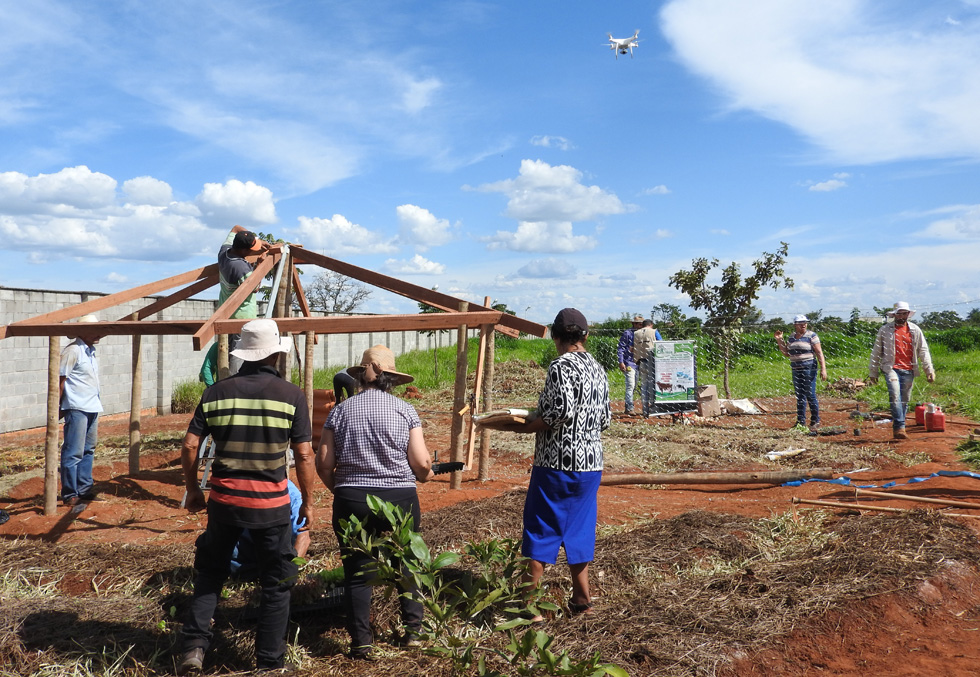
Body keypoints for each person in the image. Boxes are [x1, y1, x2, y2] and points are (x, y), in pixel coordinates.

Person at [177, 319, 316, 675]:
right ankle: (269, 663)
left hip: (223, 503)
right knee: (276, 583)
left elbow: (191, 444)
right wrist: (311, 504)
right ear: (275, 354)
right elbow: (303, 455)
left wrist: (194, 489)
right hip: (271, 507)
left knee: (210, 572)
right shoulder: (292, 395)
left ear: (245, 355)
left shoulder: (216, 392)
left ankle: (194, 648)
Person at [484, 308, 610, 618]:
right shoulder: (598, 368)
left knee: (541, 529)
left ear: (554, 335)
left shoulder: (560, 366)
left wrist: (522, 426)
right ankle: (582, 600)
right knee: (579, 529)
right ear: (585, 335)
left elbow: (557, 413)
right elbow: (604, 419)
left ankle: (530, 608)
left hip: (557, 464)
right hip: (591, 465)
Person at [316, 345, 434, 660]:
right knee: (408, 563)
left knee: (357, 571)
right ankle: (412, 632)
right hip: (399, 499)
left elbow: (324, 464)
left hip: (352, 498)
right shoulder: (406, 410)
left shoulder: (339, 411)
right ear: (390, 379)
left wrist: (340, 490)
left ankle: (361, 643)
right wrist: (427, 474)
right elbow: (421, 464)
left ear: (362, 376)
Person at [869, 301, 935, 440]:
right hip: (891, 368)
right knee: (894, 395)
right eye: (899, 313)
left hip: (909, 369)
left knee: (904, 399)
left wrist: (929, 370)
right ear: (894, 315)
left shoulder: (915, 330)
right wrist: (873, 372)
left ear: (908, 314)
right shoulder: (885, 330)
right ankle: (899, 427)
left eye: (905, 313)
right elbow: (876, 351)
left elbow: (923, 350)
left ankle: (901, 424)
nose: (902, 316)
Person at [59, 314, 104, 507]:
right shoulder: (73, 351)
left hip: (92, 405)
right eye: (95, 330)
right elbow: (61, 380)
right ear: (83, 330)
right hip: (76, 406)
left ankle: (84, 489)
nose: (99, 334)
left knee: (88, 449)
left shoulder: (90, 351)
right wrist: (57, 407)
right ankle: (70, 494)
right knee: (73, 452)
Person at [230, 479, 310, 580]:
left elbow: (303, 536)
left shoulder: (287, 491)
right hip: (247, 549)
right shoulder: (238, 489)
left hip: (279, 549)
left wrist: (291, 570)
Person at [218, 225, 266, 375]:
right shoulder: (240, 267)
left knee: (230, 350)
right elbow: (255, 287)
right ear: (244, 251)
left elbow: (235, 228)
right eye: (252, 247)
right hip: (242, 316)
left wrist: (257, 240)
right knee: (239, 353)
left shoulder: (224, 253)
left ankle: (230, 381)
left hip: (226, 314)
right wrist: (260, 265)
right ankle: (235, 381)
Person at [774, 315, 827, 431]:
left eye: (805, 323)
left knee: (810, 394)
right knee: (800, 395)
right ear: (795, 325)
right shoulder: (792, 337)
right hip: (796, 369)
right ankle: (800, 422)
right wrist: (779, 340)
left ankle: (815, 421)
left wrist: (823, 369)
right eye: (800, 323)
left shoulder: (812, 336)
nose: (803, 325)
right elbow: (787, 353)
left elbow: (819, 353)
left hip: (809, 368)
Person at [631, 319, 662, 417]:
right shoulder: (654, 332)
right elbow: (661, 344)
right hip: (653, 362)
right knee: (654, 385)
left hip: (641, 362)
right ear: (651, 325)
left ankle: (645, 410)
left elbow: (631, 348)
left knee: (644, 385)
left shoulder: (636, 333)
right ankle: (655, 409)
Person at [616, 315, 644, 415]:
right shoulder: (628, 333)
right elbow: (621, 348)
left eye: (641, 324)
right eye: (638, 323)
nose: (640, 325)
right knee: (630, 385)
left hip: (641, 362)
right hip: (630, 362)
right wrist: (621, 361)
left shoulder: (643, 333)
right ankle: (629, 407)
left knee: (636, 385)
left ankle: (641, 407)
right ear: (634, 324)